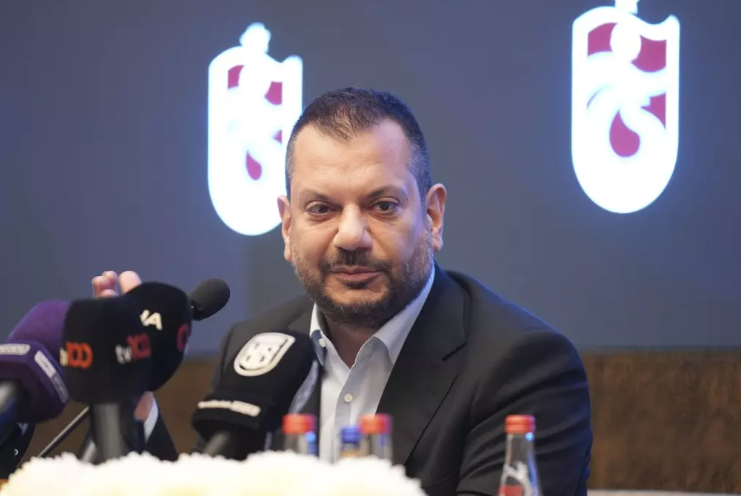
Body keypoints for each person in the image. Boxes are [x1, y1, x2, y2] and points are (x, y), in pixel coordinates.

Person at [92, 88, 592, 496]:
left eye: (382, 205)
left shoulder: (523, 367)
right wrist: (132, 402)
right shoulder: (254, 348)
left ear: (432, 217)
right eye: (321, 209)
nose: (351, 236)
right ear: (287, 226)